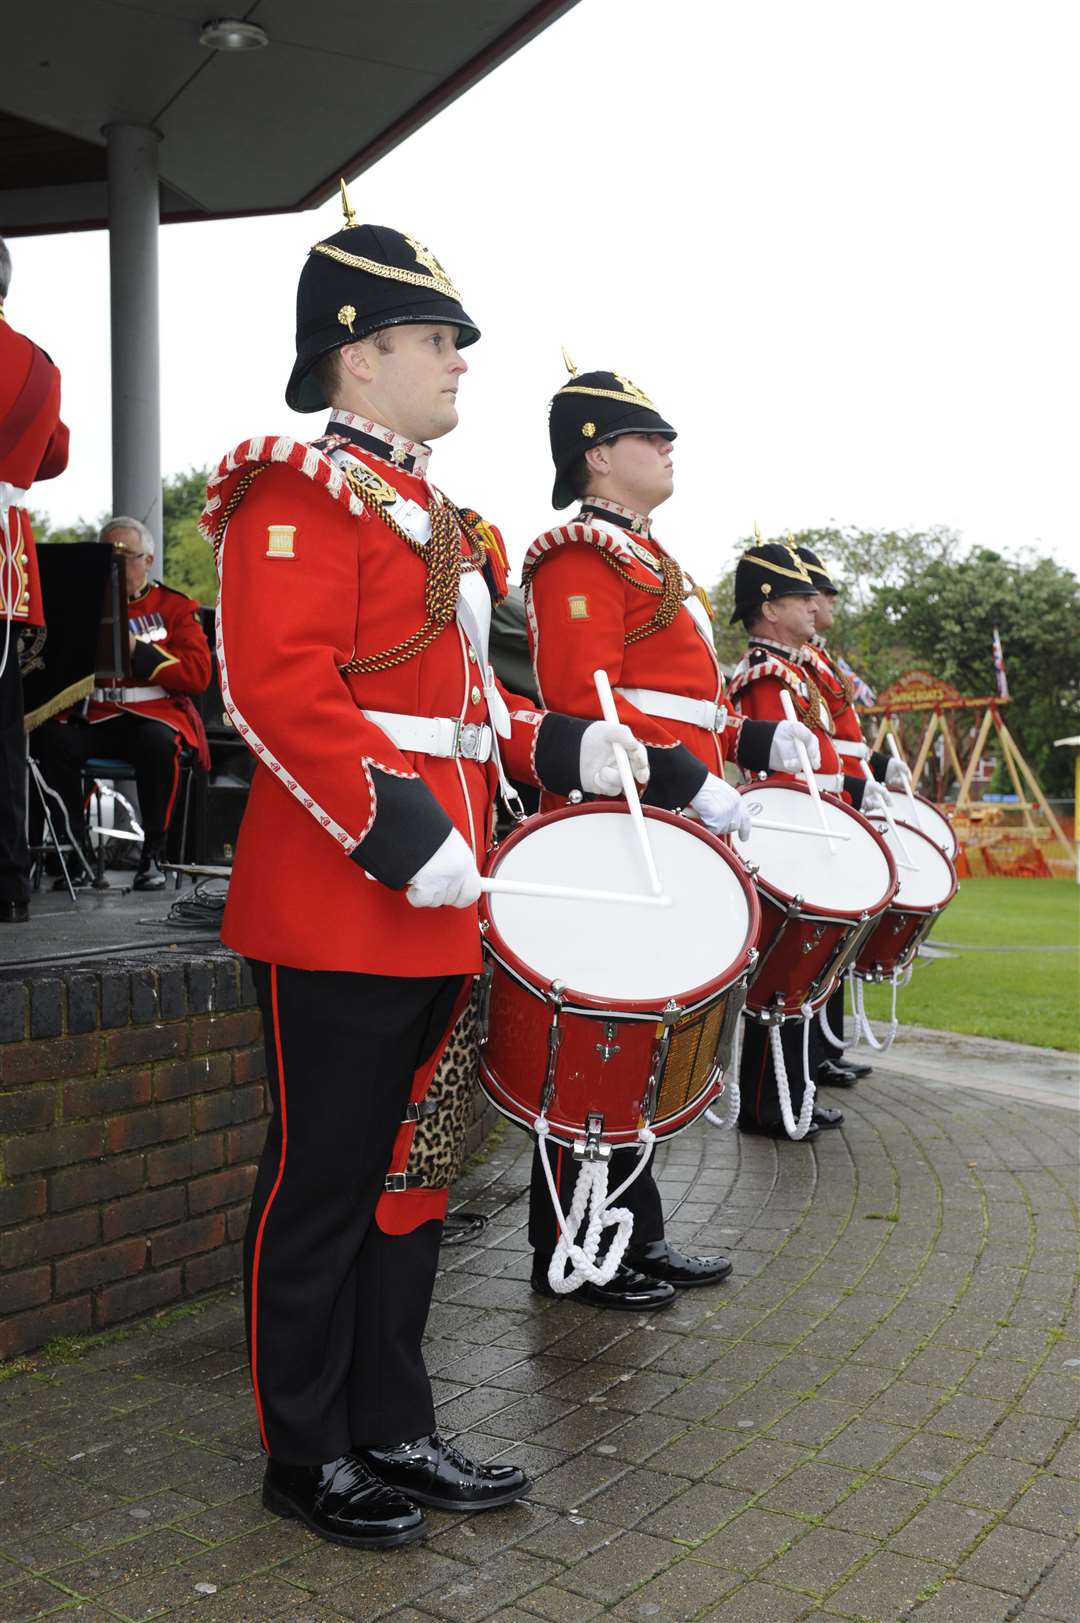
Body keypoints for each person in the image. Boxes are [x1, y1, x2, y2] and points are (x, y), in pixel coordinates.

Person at [202, 200, 650, 1550]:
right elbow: (276, 688)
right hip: (347, 893)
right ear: (355, 353)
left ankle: (392, 1416)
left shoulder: (435, 514)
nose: (459, 360)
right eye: (432, 337)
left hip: (447, 902)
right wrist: (400, 834)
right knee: (327, 1176)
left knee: (416, 1170)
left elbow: (467, 708)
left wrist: (574, 737)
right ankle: (306, 1444)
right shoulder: (295, 488)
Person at [521, 367, 821, 1308]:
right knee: (599, 1045)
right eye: (649, 438)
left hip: (668, 819)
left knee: (641, 1040)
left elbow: (682, 708)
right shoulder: (581, 554)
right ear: (599, 456)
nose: (668, 448)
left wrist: (751, 740)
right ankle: (578, 1243)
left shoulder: (652, 560)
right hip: (620, 826)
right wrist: (691, 782)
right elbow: (585, 708)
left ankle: (633, 1229)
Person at [728, 540, 891, 1140]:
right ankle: (771, 1103)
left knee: (806, 974)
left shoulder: (796, 669)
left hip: (820, 821)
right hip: (790, 831)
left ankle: (794, 1093)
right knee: (783, 975)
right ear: (770, 609)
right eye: (800, 597)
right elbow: (782, 771)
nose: (812, 605)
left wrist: (855, 785)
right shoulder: (767, 674)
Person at [30, 517, 211, 890]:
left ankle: (154, 855)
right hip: (95, 716)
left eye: (125, 557)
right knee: (51, 740)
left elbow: (197, 674)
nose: (115, 566)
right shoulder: (80, 608)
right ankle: (73, 851)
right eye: (107, 558)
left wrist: (138, 651)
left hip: (150, 716)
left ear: (148, 560)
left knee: (158, 745)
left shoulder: (174, 607)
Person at [796, 544, 909, 1087]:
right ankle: (810, 1061)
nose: (824, 602)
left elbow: (844, 738)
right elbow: (809, 750)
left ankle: (823, 1052)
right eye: (814, 594)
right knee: (811, 953)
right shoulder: (785, 668)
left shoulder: (816, 662)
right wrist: (856, 783)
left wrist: (877, 768)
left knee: (834, 945)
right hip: (818, 808)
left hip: (841, 797)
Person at [0, 236, 68, 923]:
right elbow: (56, 453)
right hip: (5, 571)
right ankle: (10, 882)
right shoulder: (40, 367)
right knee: (4, 733)